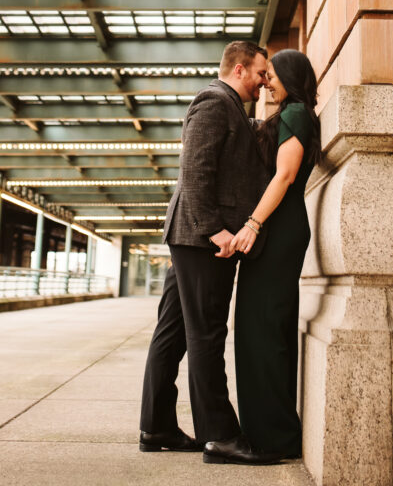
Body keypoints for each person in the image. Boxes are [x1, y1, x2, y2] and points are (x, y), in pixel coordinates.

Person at [139, 40, 280, 466]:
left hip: (192, 238)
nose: (263, 82)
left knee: (174, 332)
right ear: (239, 69)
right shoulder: (213, 101)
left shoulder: (233, 108)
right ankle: (219, 435)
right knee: (207, 335)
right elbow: (195, 172)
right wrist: (217, 231)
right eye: (260, 74)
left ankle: (157, 426)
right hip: (202, 240)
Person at [223, 49, 320, 461]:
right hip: (274, 229)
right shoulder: (286, 114)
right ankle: (266, 430)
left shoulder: (297, 112)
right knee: (258, 327)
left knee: (264, 328)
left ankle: (275, 435)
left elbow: (285, 175)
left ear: (292, 78)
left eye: (273, 75)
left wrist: (253, 224)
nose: (267, 81)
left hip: (278, 229)